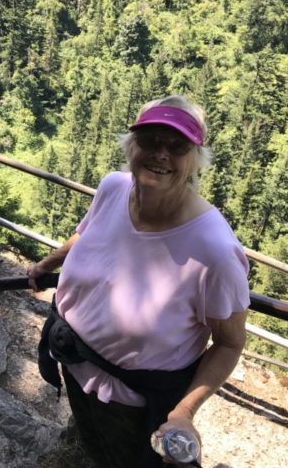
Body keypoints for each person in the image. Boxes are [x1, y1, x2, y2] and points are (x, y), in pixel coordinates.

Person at [28, 95, 250, 467]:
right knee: (92, 446)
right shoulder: (114, 188)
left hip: (132, 404)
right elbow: (86, 233)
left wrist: (184, 413)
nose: (161, 154)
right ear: (131, 146)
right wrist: (47, 263)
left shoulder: (214, 251)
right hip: (75, 364)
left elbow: (229, 343)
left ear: (195, 159)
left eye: (177, 146)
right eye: (150, 141)